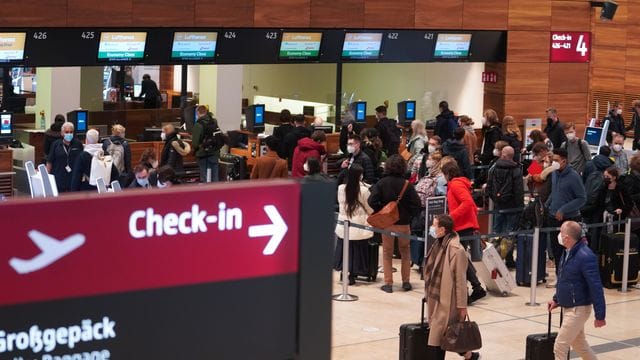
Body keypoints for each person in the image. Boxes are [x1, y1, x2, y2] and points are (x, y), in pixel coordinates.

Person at [423, 214, 479, 360]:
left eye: (434, 225)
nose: (432, 228)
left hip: (448, 300)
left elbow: (461, 280)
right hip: (436, 296)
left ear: (442, 229)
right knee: (448, 335)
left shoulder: (457, 250)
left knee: (438, 338)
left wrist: (462, 306)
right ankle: (469, 355)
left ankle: (469, 355)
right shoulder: (437, 244)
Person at [548, 221, 606, 360]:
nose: (559, 235)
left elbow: (596, 286)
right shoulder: (567, 252)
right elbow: (565, 279)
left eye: (561, 232)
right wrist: (556, 299)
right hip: (568, 307)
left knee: (560, 345)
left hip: (577, 309)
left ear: (567, 237)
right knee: (580, 345)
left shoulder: (586, 256)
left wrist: (600, 315)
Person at [368, 155, 421, 293]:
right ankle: (406, 281)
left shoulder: (381, 183)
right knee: (405, 252)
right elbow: (417, 204)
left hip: (387, 223)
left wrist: (382, 210)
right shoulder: (407, 184)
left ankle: (388, 283)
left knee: (387, 253)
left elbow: (371, 201)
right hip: (404, 224)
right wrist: (408, 216)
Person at [441, 161, 486, 304]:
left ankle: (473, 288)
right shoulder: (459, 183)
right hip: (463, 225)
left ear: (447, 174)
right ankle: (475, 287)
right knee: (462, 259)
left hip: (462, 226)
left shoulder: (455, 184)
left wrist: (451, 216)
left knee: (460, 260)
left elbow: (467, 203)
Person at [545, 148, 586, 281]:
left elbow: (582, 198)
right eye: (553, 160)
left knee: (568, 251)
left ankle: (570, 277)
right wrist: (547, 204)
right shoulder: (555, 173)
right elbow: (555, 191)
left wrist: (563, 209)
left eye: (556, 160)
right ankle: (560, 277)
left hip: (569, 219)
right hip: (553, 217)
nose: (554, 163)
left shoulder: (574, 176)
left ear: (564, 161)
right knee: (556, 250)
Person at [334, 164, 374, 285]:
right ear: (360, 175)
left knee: (344, 249)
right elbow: (369, 207)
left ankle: (343, 272)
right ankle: (352, 274)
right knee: (356, 251)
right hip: (359, 225)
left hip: (344, 223)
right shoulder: (364, 190)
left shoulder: (341, 188)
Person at [486, 146, 524, 238]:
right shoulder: (516, 170)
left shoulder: (493, 168)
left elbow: (489, 187)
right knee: (509, 234)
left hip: (498, 205)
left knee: (496, 232)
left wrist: (495, 199)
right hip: (512, 207)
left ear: (502, 155)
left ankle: (495, 251)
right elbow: (518, 191)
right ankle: (506, 252)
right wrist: (519, 207)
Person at [581, 147, 612, 252]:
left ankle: (584, 248)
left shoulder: (590, 168)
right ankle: (593, 250)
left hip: (586, 205)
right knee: (595, 230)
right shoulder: (605, 176)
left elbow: (583, 181)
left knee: (585, 229)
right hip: (597, 207)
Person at [46, 122, 84, 193]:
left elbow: (82, 161)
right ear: (62, 133)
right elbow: (49, 162)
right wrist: (47, 178)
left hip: (73, 180)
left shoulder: (78, 144)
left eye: (71, 132)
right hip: (58, 179)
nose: (69, 134)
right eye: (66, 132)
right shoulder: (56, 144)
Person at [192, 105, 220, 183]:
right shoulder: (214, 121)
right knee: (215, 178)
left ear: (198, 113)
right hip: (214, 153)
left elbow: (195, 143)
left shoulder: (198, 124)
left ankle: (206, 194)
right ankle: (215, 194)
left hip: (203, 154)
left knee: (204, 178)